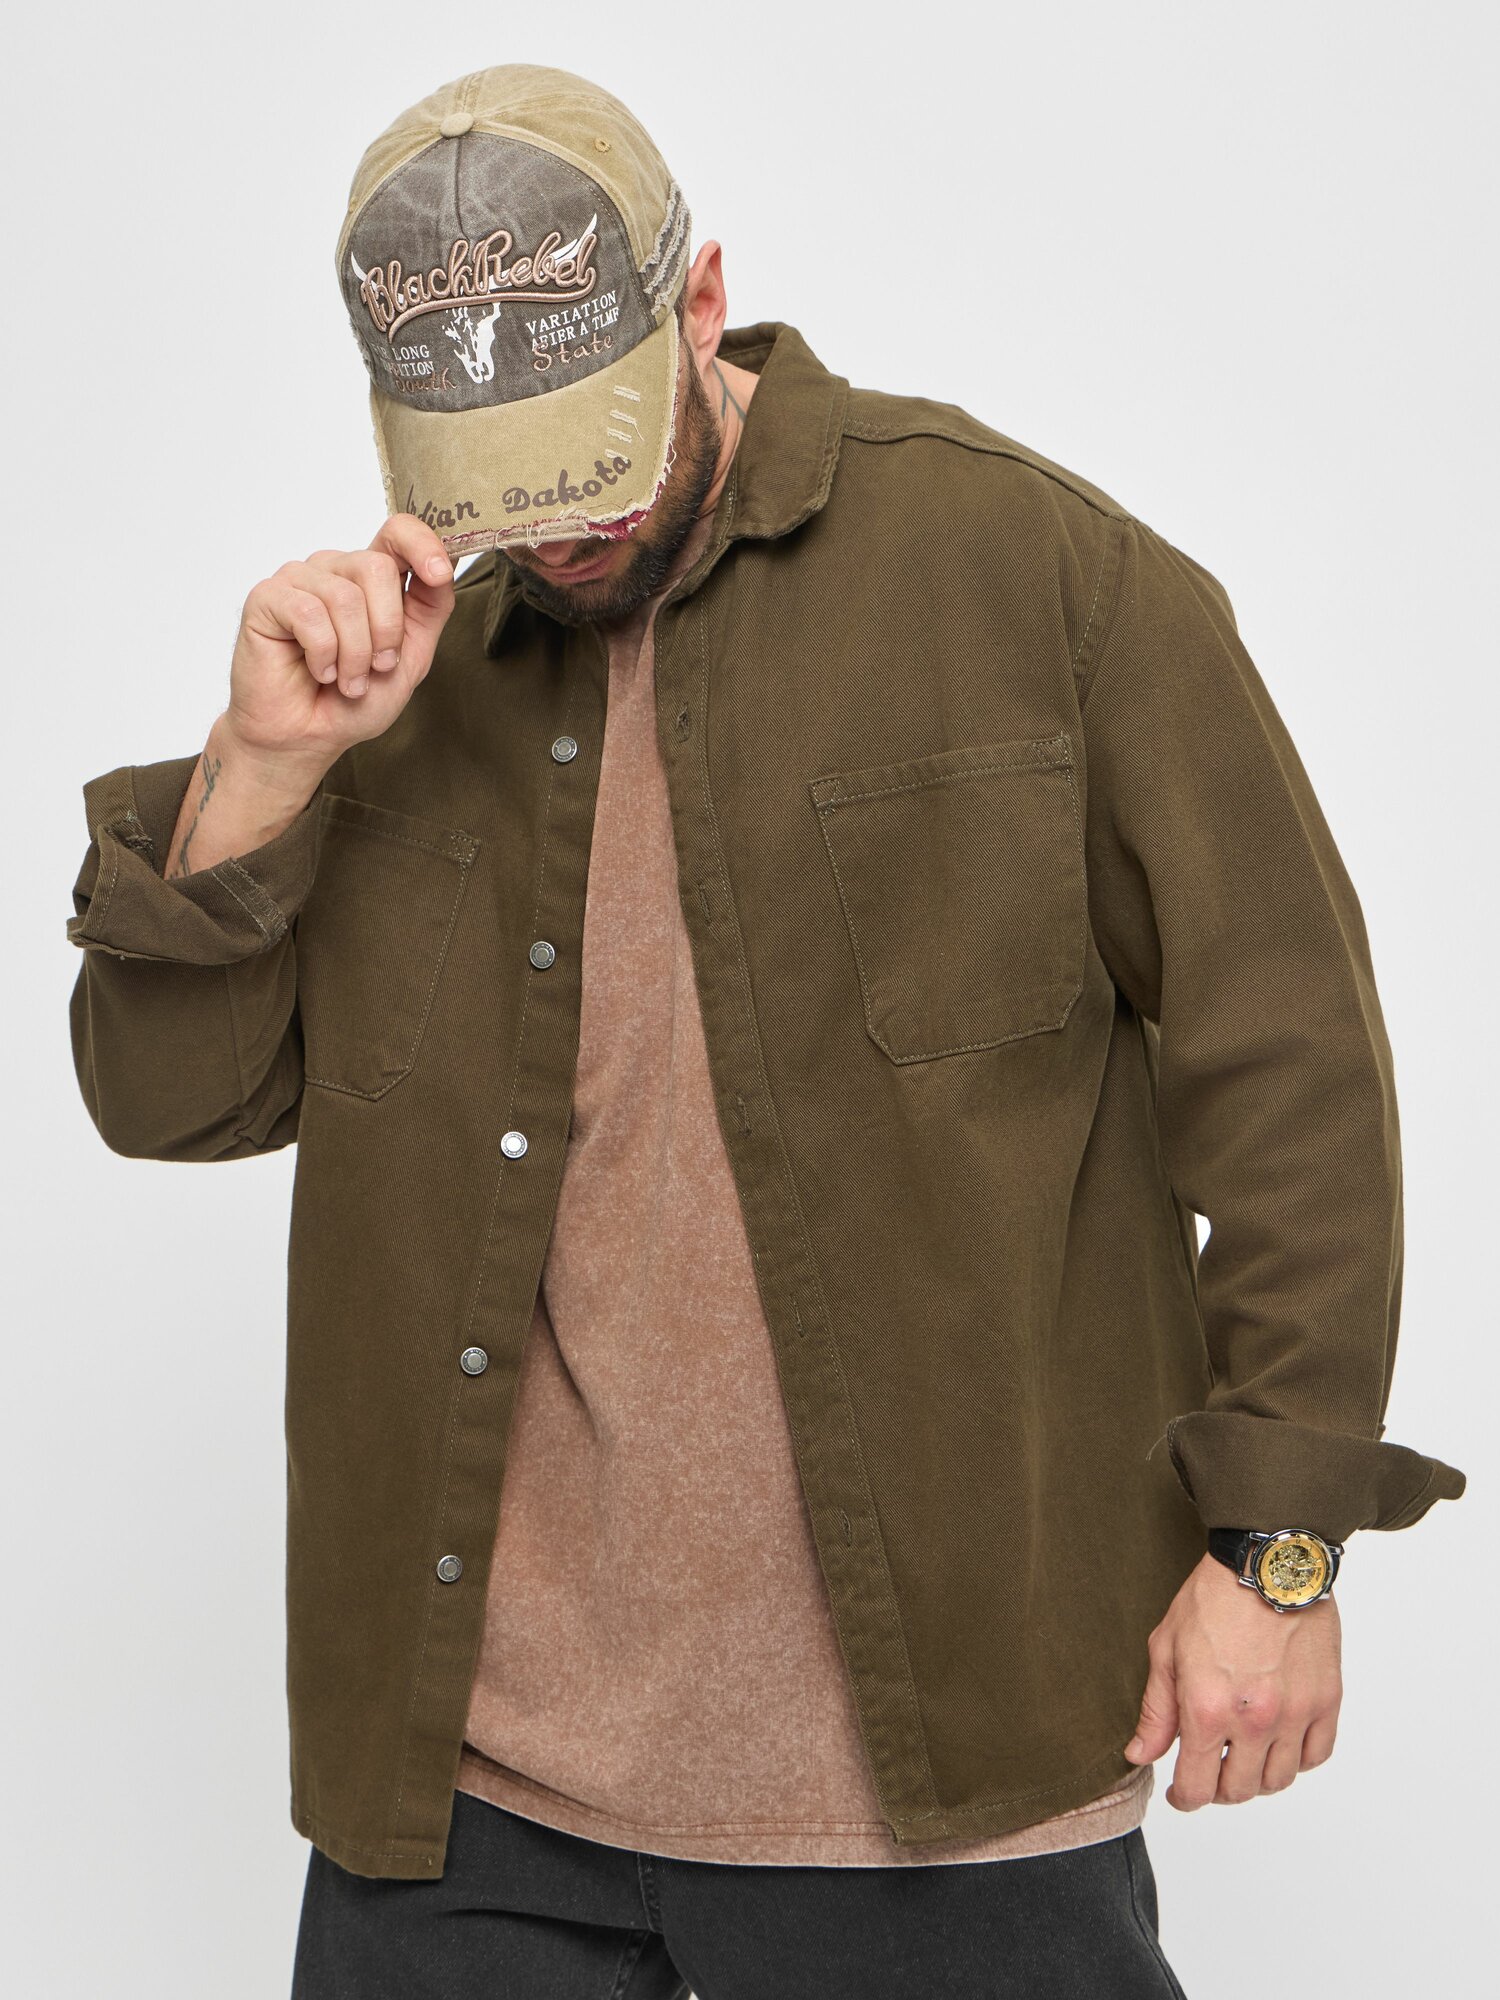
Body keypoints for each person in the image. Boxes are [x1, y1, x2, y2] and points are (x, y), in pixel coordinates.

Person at [65, 62, 1467, 2000]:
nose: (552, 530)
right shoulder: (400, 678)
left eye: (585, 454)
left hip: (951, 1784)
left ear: (702, 300)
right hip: (468, 1804)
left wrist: (1277, 1557)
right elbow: (165, 1098)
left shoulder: (1038, 576)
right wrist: (258, 769)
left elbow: (1294, 1079)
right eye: (495, 478)